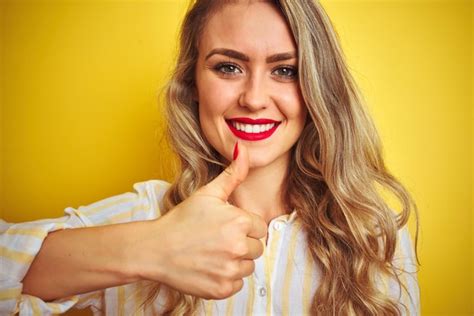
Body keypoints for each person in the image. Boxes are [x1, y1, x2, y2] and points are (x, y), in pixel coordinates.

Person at [0, 0, 420, 315]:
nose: (254, 99)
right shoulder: (143, 216)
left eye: (285, 70)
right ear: (193, 83)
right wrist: (152, 247)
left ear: (317, 88)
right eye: (228, 68)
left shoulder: (373, 234)